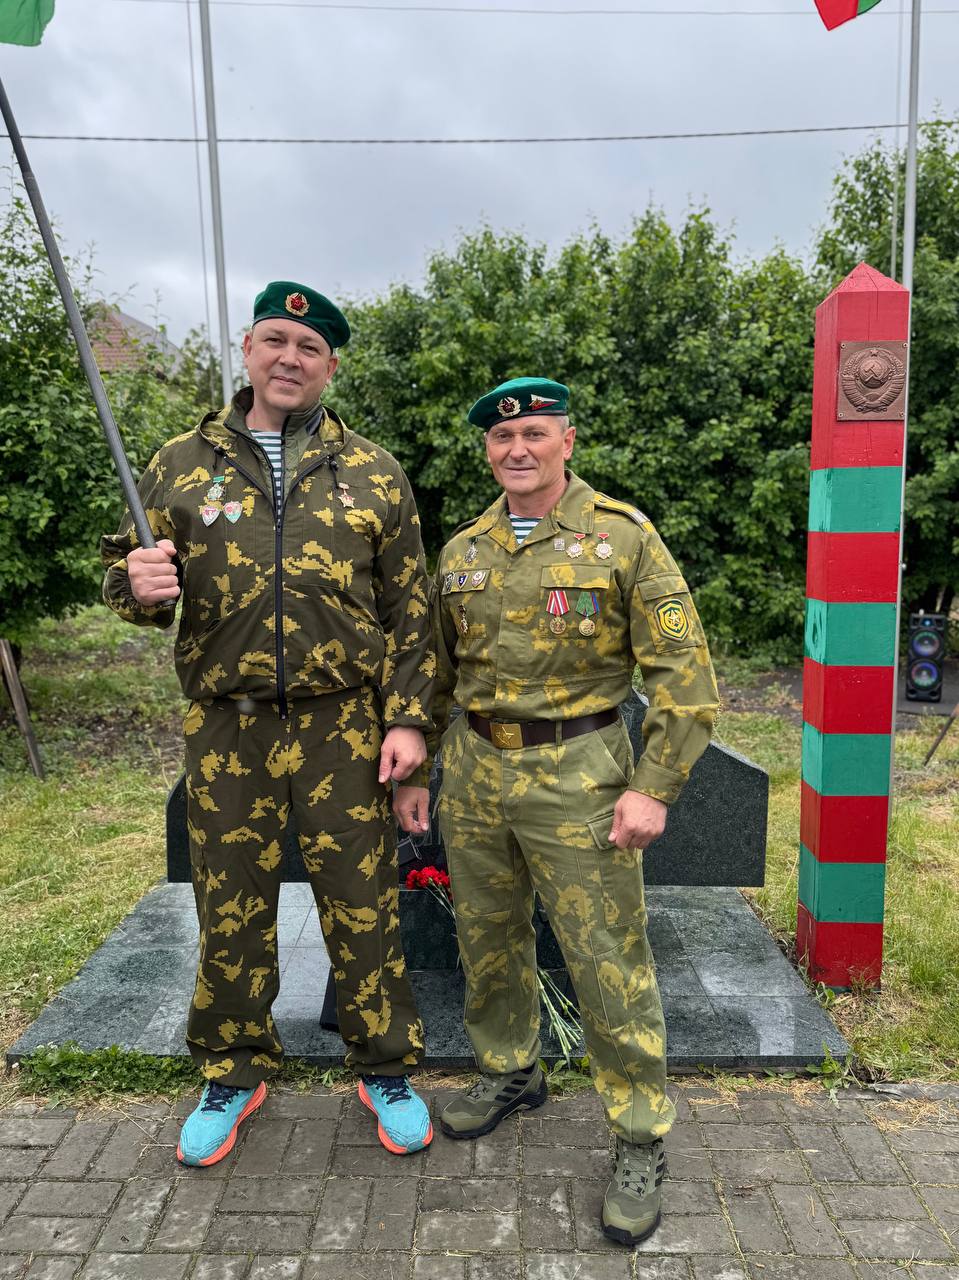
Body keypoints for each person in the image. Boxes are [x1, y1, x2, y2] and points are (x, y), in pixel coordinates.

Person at [101, 281, 435, 1165]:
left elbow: (412, 610)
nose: (291, 358)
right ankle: (233, 1069)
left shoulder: (373, 471)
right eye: (276, 340)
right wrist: (134, 586)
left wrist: (408, 722)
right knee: (230, 904)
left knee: (362, 905)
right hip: (229, 727)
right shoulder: (179, 463)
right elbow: (127, 573)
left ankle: (384, 1066)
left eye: (310, 347)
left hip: (342, 724)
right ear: (248, 349)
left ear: (331, 366)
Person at [394, 376, 720, 1245]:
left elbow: (685, 678)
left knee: (605, 956)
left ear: (566, 442)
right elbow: (435, 670)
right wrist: (416, 766)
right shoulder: (464, 549)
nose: (517, 449)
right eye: (502, 438)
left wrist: (652, 786)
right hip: (474, 769)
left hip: (580, 772)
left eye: (535, 434)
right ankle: (510, 1071)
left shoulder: (620, 537)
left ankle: (639, 1131)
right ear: (488, 450)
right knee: (486, 938)